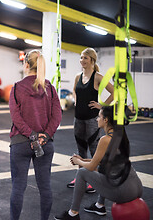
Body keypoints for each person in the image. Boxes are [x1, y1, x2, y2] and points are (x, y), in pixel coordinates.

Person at [55, 106, 143, 219]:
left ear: (105, 120)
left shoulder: (105, 139)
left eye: (99, 116)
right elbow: (99, 161)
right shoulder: (120, 135)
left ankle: (73, 213)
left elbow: (91, 167)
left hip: (124, 192)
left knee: (82, 172)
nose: (97, 119)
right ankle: (99, 206)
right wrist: (82, 160)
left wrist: (79, 162)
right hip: (137, 187)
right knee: (104, 170)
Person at [9, 50, 62, 220]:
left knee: (18, 186)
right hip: (45, 144)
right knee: (45, 187)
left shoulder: (17, 87)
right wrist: (44, 136)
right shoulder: (50, 89)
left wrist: (31, 135)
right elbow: (57, 115)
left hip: (20, 143)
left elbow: (15, 116)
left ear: (26, 65)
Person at [67, 48, 114, 193]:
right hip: (78, 118)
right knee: (81, 150)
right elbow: (74, 90)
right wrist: (76, 100)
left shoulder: (98, 77)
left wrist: (102, 106)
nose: (82, 60)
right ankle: (81, 178)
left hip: (92, 119)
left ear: (92, 60)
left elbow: (114, 92)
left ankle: (95, 181)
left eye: (85, 58)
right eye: (81, 58)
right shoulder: (77, 76)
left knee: (95, 151)